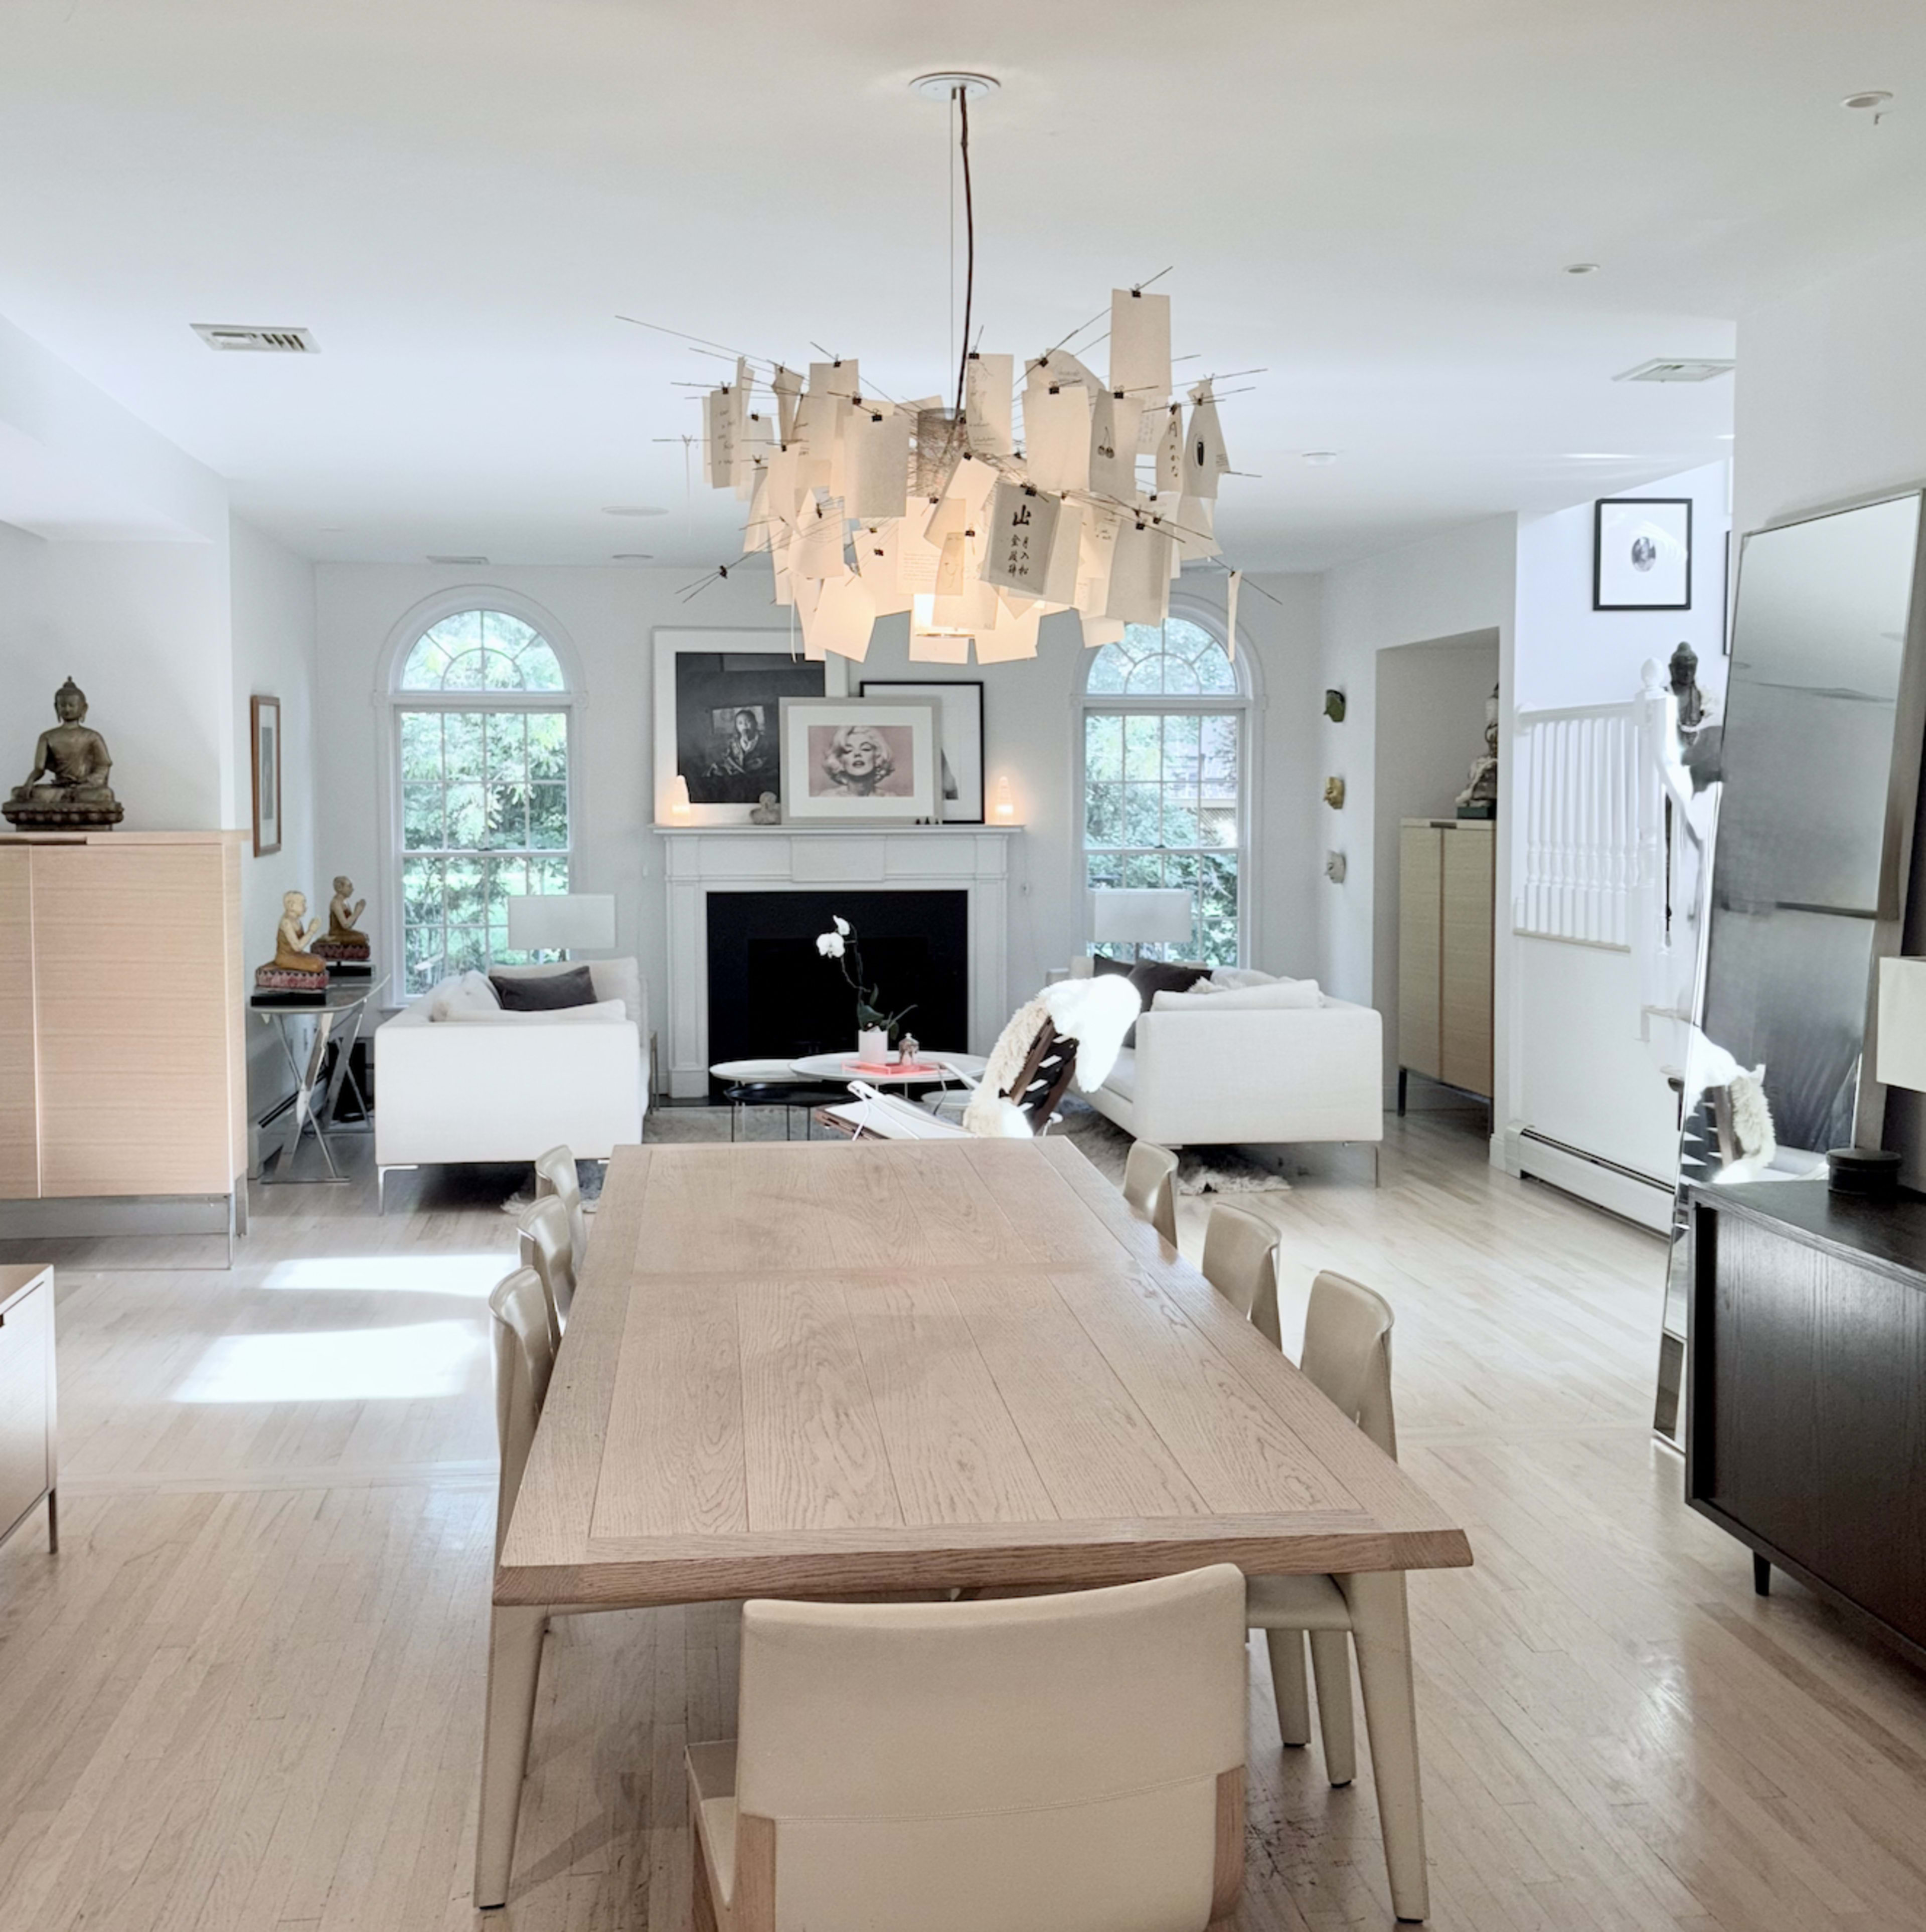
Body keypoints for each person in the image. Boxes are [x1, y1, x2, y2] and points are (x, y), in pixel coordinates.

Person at [820, 723, 899, 797]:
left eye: (865, 749)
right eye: (848, 751)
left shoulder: (890, 798)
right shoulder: (827, 798)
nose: (857, 754)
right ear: (840, 762)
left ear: (877, 758)